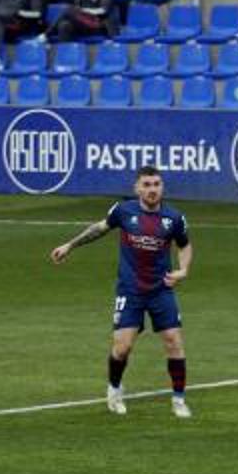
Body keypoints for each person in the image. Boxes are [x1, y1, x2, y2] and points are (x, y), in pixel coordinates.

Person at [48, 166, 194, 419]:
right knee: (122, 348)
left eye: (156, 184)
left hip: (161, 290)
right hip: (130, 290)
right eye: (146, 185)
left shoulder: (174, 218)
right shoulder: (124, 211)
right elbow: (100, 228)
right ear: (137, 188)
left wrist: (183, 270)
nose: (152, 189)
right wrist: (70, 245)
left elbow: (185, 245)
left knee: (174, 342)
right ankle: (114, 390)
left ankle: (179, 400)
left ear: (162, 187)